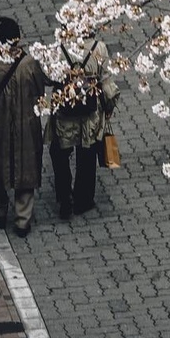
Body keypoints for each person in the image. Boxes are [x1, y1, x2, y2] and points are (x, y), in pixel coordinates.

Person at [0, 17, 47, 237]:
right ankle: (22, 220)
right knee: (25, 171)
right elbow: (40, 90)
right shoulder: (30, 63)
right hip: (26, 123)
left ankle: (0, 212)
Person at [48, 34, 119, 218]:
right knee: (87, 153)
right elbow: (106, 80)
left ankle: (64, 198)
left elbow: (49, 77)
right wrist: (109, 106)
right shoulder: (98, 47)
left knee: (60, 153)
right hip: (90, 113)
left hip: (65, 112)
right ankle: (83, 199)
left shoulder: (59, 48)